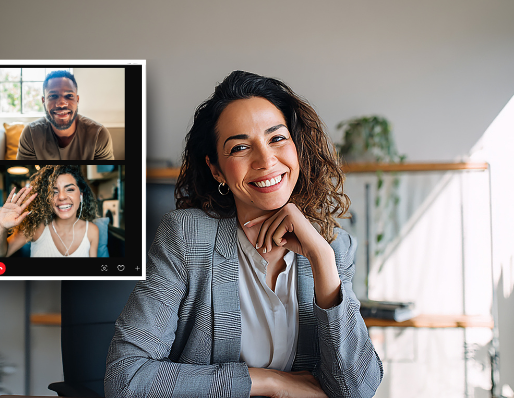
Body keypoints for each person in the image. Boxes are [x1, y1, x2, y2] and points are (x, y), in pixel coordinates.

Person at [105, 71, 382, 398]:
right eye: (239, 147)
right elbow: (126, 379)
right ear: (217, 169)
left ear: (297, 147)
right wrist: (270, 382)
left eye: (277, 138)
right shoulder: (186, 237)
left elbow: (355, 390)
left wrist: (322, 259)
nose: (265, 160)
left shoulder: (334, 247)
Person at [0, 165, 100, 257]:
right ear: (47, 199)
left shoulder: (92, 231)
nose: (62, 197)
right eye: (54, 192)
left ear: (81, 195)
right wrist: (1, 227)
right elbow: (2, 254)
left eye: (70, 189)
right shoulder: (36, 226)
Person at [16, 70, 114, 160]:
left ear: (77, 100)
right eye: (53, 96)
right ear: (43, 101)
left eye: (69, 96)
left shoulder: (98, 135)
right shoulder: (30, 134)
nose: (62, 103)